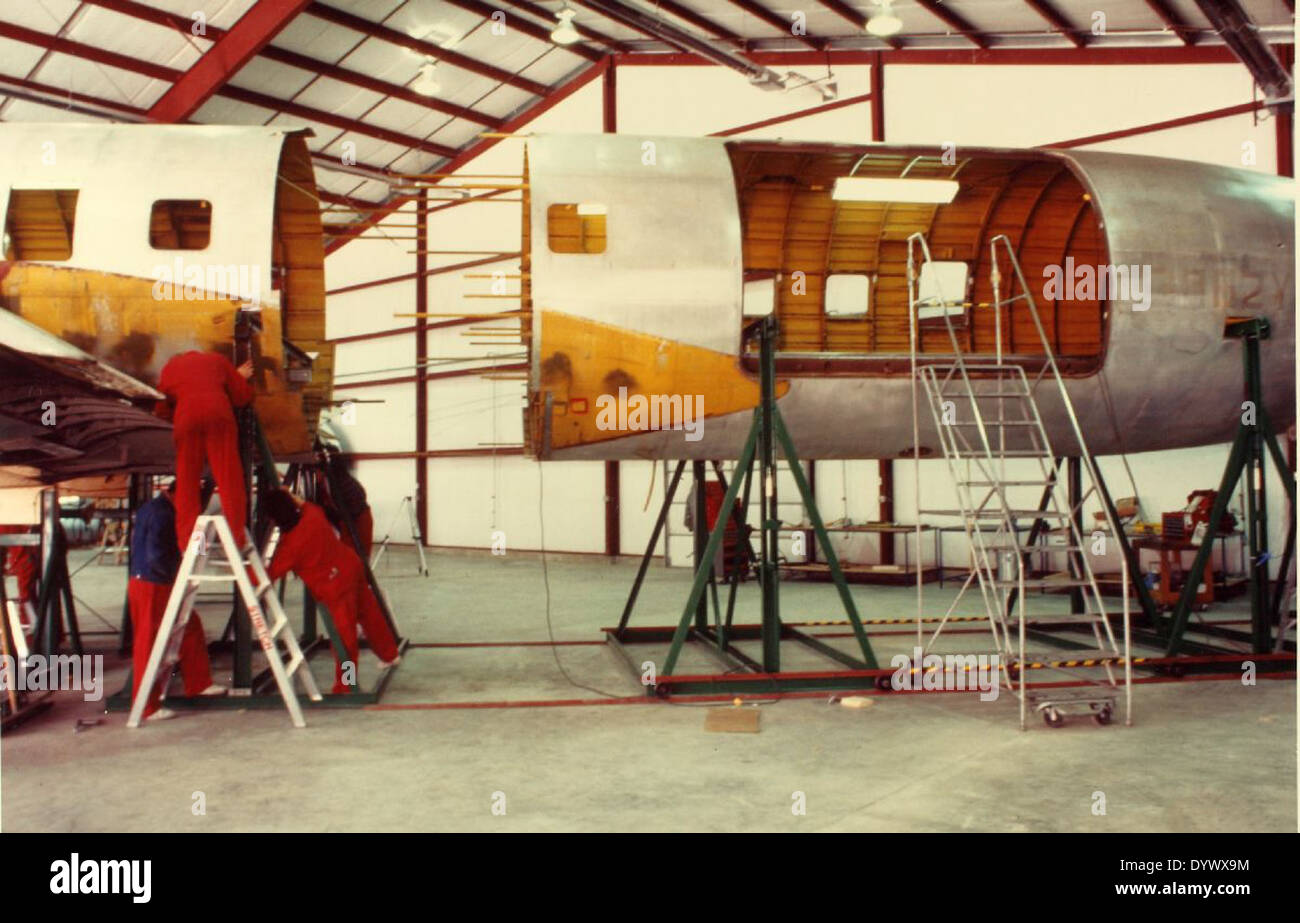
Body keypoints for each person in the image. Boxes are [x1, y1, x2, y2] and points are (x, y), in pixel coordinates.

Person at [262, 490, 399, 694]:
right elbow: (303, 503)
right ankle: (390, 655)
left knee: (345, 639)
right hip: (351, 566)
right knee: (370, 615)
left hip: (336, 587)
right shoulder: (313, 514)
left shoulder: (289, 548)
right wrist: (288, 496)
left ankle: (346, 684)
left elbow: (267, 576)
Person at [129, 480, 225, 721]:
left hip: (161, 579)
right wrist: (180, 573)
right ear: (175, 494)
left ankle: (199, 683)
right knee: (148, 643)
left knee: (190, 626)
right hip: (151, 583)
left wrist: (199, 551)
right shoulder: (160, 514)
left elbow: (189, 539)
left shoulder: (165, 509)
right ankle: (147, 707)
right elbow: (155, 556)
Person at [155, 349, 255, 552]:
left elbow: (161, 409)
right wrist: (238, 378)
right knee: (229, 479)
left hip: (186, 419)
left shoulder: (170, 367)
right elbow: (242, 397)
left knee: (186, 481)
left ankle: (187, 544)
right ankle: (237, 539)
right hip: (219, 416)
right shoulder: (218, 359)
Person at [325, 452, 373, 559]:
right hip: (350, 519)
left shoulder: (343, 484)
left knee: (355, 560)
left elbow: (351, 514)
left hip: (356, 521)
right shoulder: (337, 480)